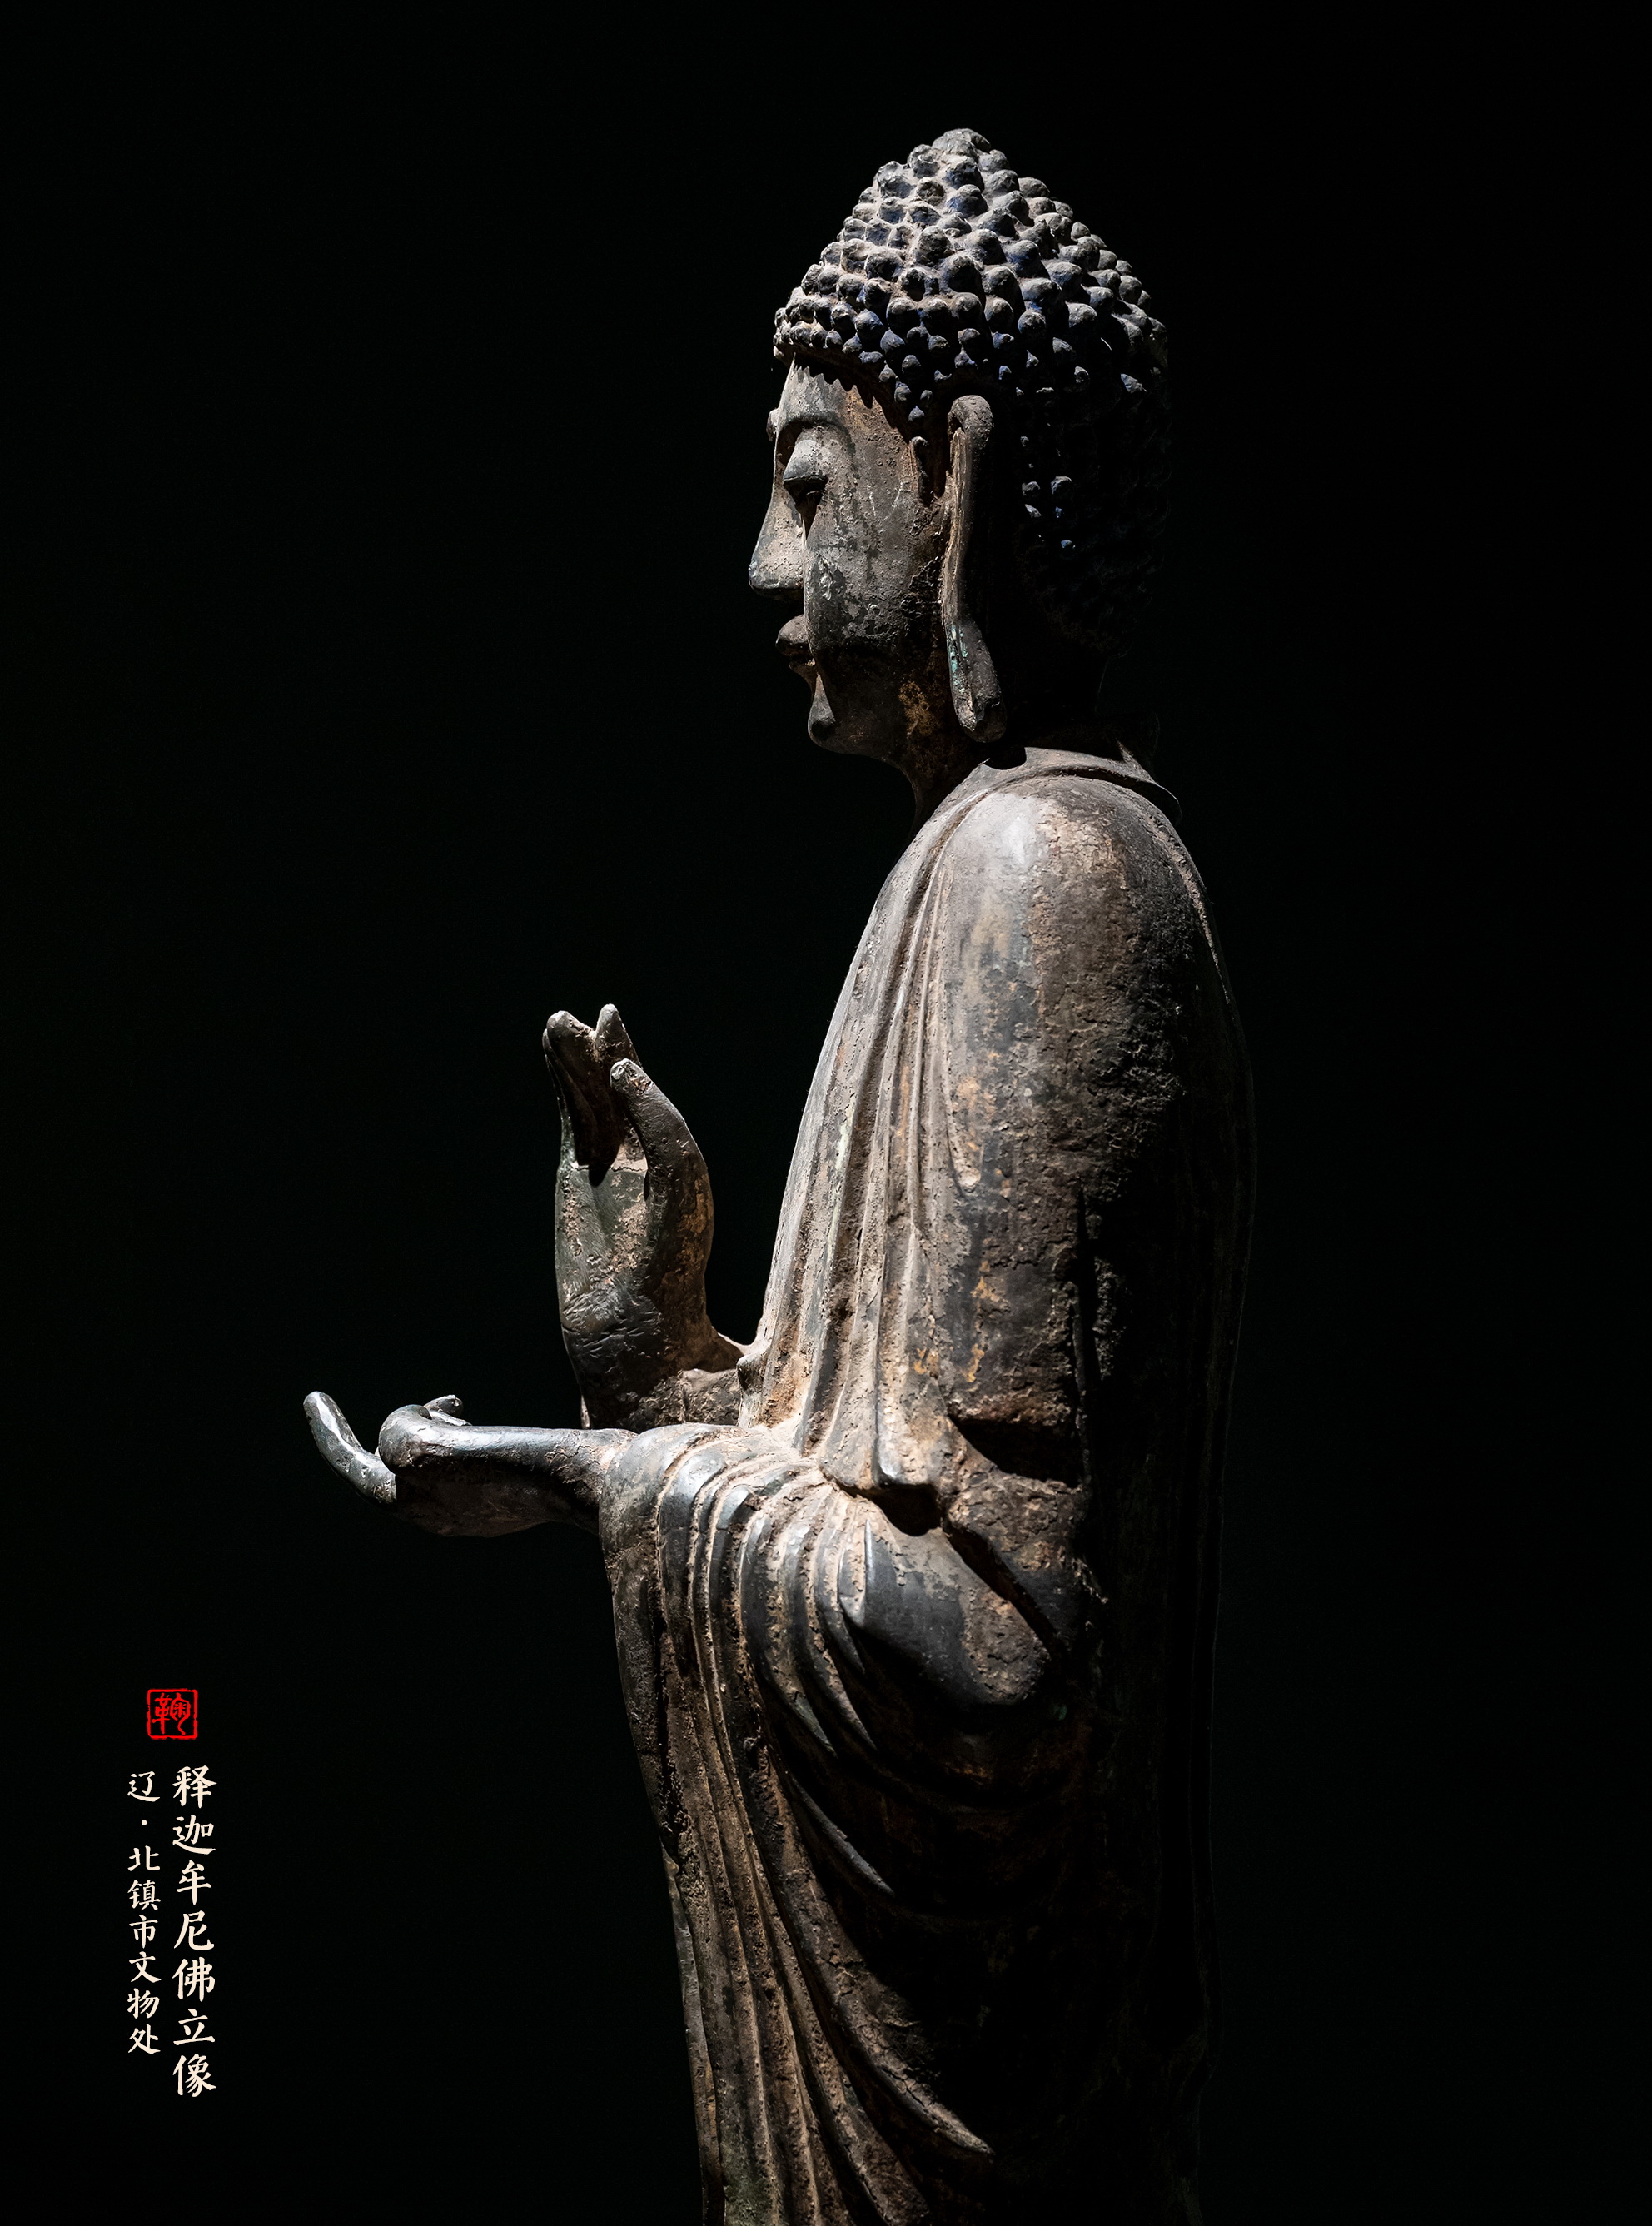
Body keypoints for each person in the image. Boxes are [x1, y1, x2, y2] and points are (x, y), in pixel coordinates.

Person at [309, 129, 1253, 2226]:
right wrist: (662, 1360)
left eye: (812, 489)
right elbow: (878, 1497)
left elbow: (1000, 1654)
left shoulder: (1042, 883)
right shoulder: (979, 868)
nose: (762, 564)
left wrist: (597, 1475)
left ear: (964, 483)